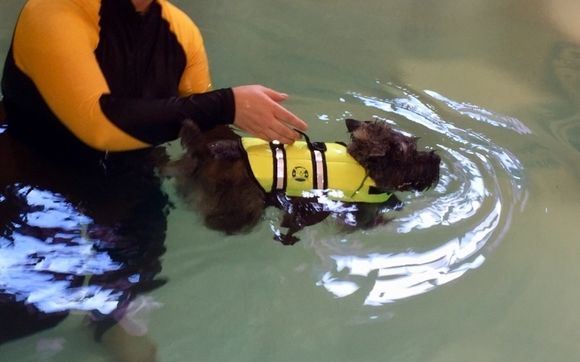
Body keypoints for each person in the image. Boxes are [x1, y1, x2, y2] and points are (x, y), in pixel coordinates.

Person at [1, 0, 307, 158]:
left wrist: (284, 175)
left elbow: (207, 130)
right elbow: (98, 124)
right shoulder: (53, 11)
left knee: (139, 276)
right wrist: (227, 104)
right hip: (28, 177)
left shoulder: (182, 32)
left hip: (129, 185)